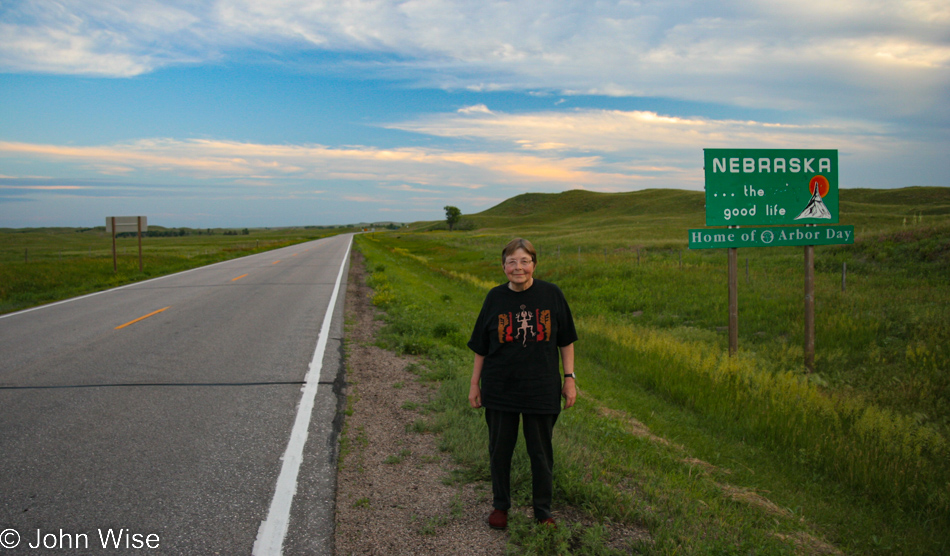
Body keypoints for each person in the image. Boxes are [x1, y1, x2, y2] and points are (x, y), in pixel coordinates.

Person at [467, 238, 577, 529]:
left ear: (534, 265)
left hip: (541, 388)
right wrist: (474, 384)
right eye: (512, 262)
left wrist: (569, 379)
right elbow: (481, 346)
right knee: (499, 450)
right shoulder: (494, 298)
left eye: (524, 261)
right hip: (500, 388)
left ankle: (543, 511)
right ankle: (500, 506)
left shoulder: (551, 294)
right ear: (503, 267)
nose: (518, 267)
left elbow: (565, 341)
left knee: (540, 453)